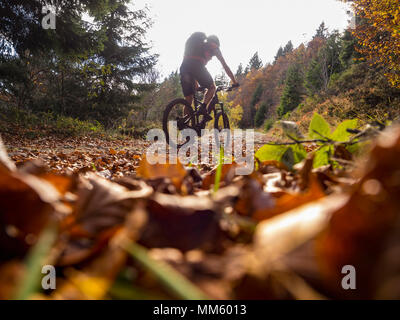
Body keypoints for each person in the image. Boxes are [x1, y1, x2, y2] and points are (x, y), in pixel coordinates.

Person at [180, 32, 239, 123]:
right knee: (212, 87)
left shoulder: (199, 47)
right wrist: (234, 82)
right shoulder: (214, 48)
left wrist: (196, 84)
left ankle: (184, 124)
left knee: (188, 99)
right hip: (197, 66)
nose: (211, 58)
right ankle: (203, 108)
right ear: (216, 44)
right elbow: (225, 66)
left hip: (184, 67)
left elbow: (191, 67)